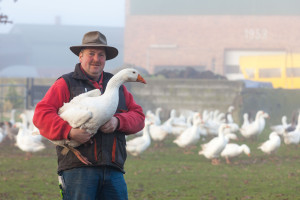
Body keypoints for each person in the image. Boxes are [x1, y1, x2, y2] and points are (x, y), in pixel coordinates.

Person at [33, 31, 145, 200]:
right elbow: (41, 115)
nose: (96, 59)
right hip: (78, 171)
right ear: (80, 56)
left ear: (105, 59)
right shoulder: (66, 83)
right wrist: (68, 132)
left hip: (113, 169)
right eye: (91, 53)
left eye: (101, 55)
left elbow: (138, 118)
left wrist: (118, 121)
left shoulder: (118, 87)